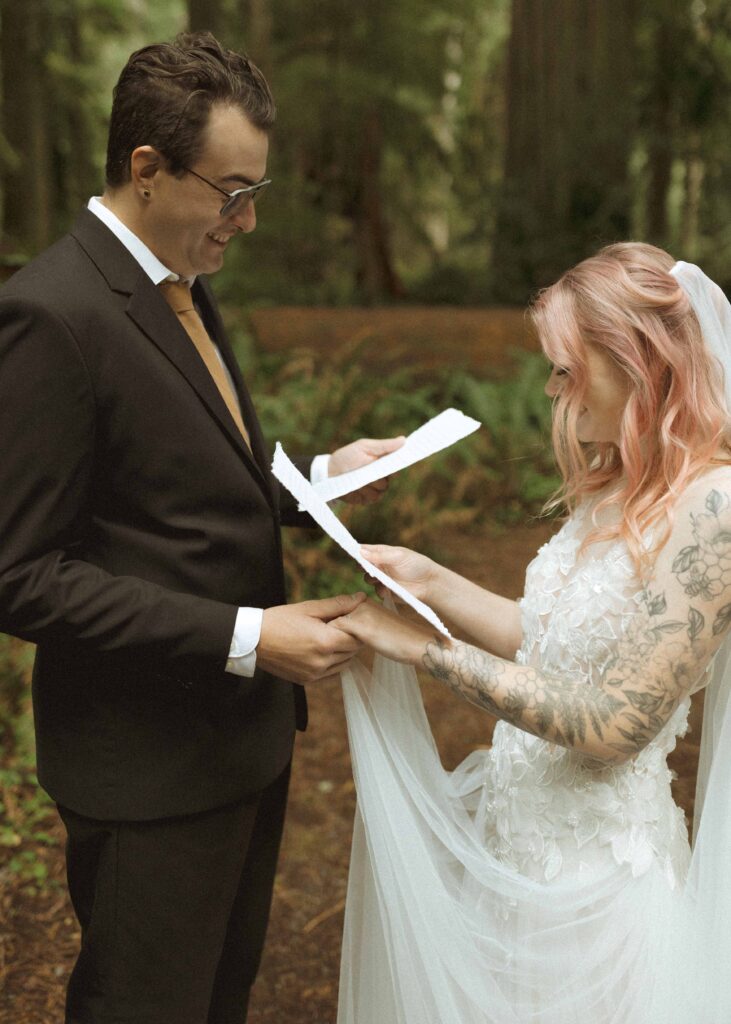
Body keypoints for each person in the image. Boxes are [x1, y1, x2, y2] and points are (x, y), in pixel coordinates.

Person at [0, 32, 402, 1024]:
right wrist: (245, 637)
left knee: (220, 998)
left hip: (240, 746)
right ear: (147, 169)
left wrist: (314, 478)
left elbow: (190, 465)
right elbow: (22, 574)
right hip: (145, 768)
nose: (247, 219)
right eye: (231, 191)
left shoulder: (180, 276)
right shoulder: (50, 316)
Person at [332, 243, 731, 1023]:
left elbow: (615, 724)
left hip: (601, 892)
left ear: (637, 359)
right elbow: (544, 638)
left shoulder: (711, 509)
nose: (551, 388)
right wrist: (429, 581)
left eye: (565, 367)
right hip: (518, 863)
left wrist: (424, 648)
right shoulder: (620, 478)